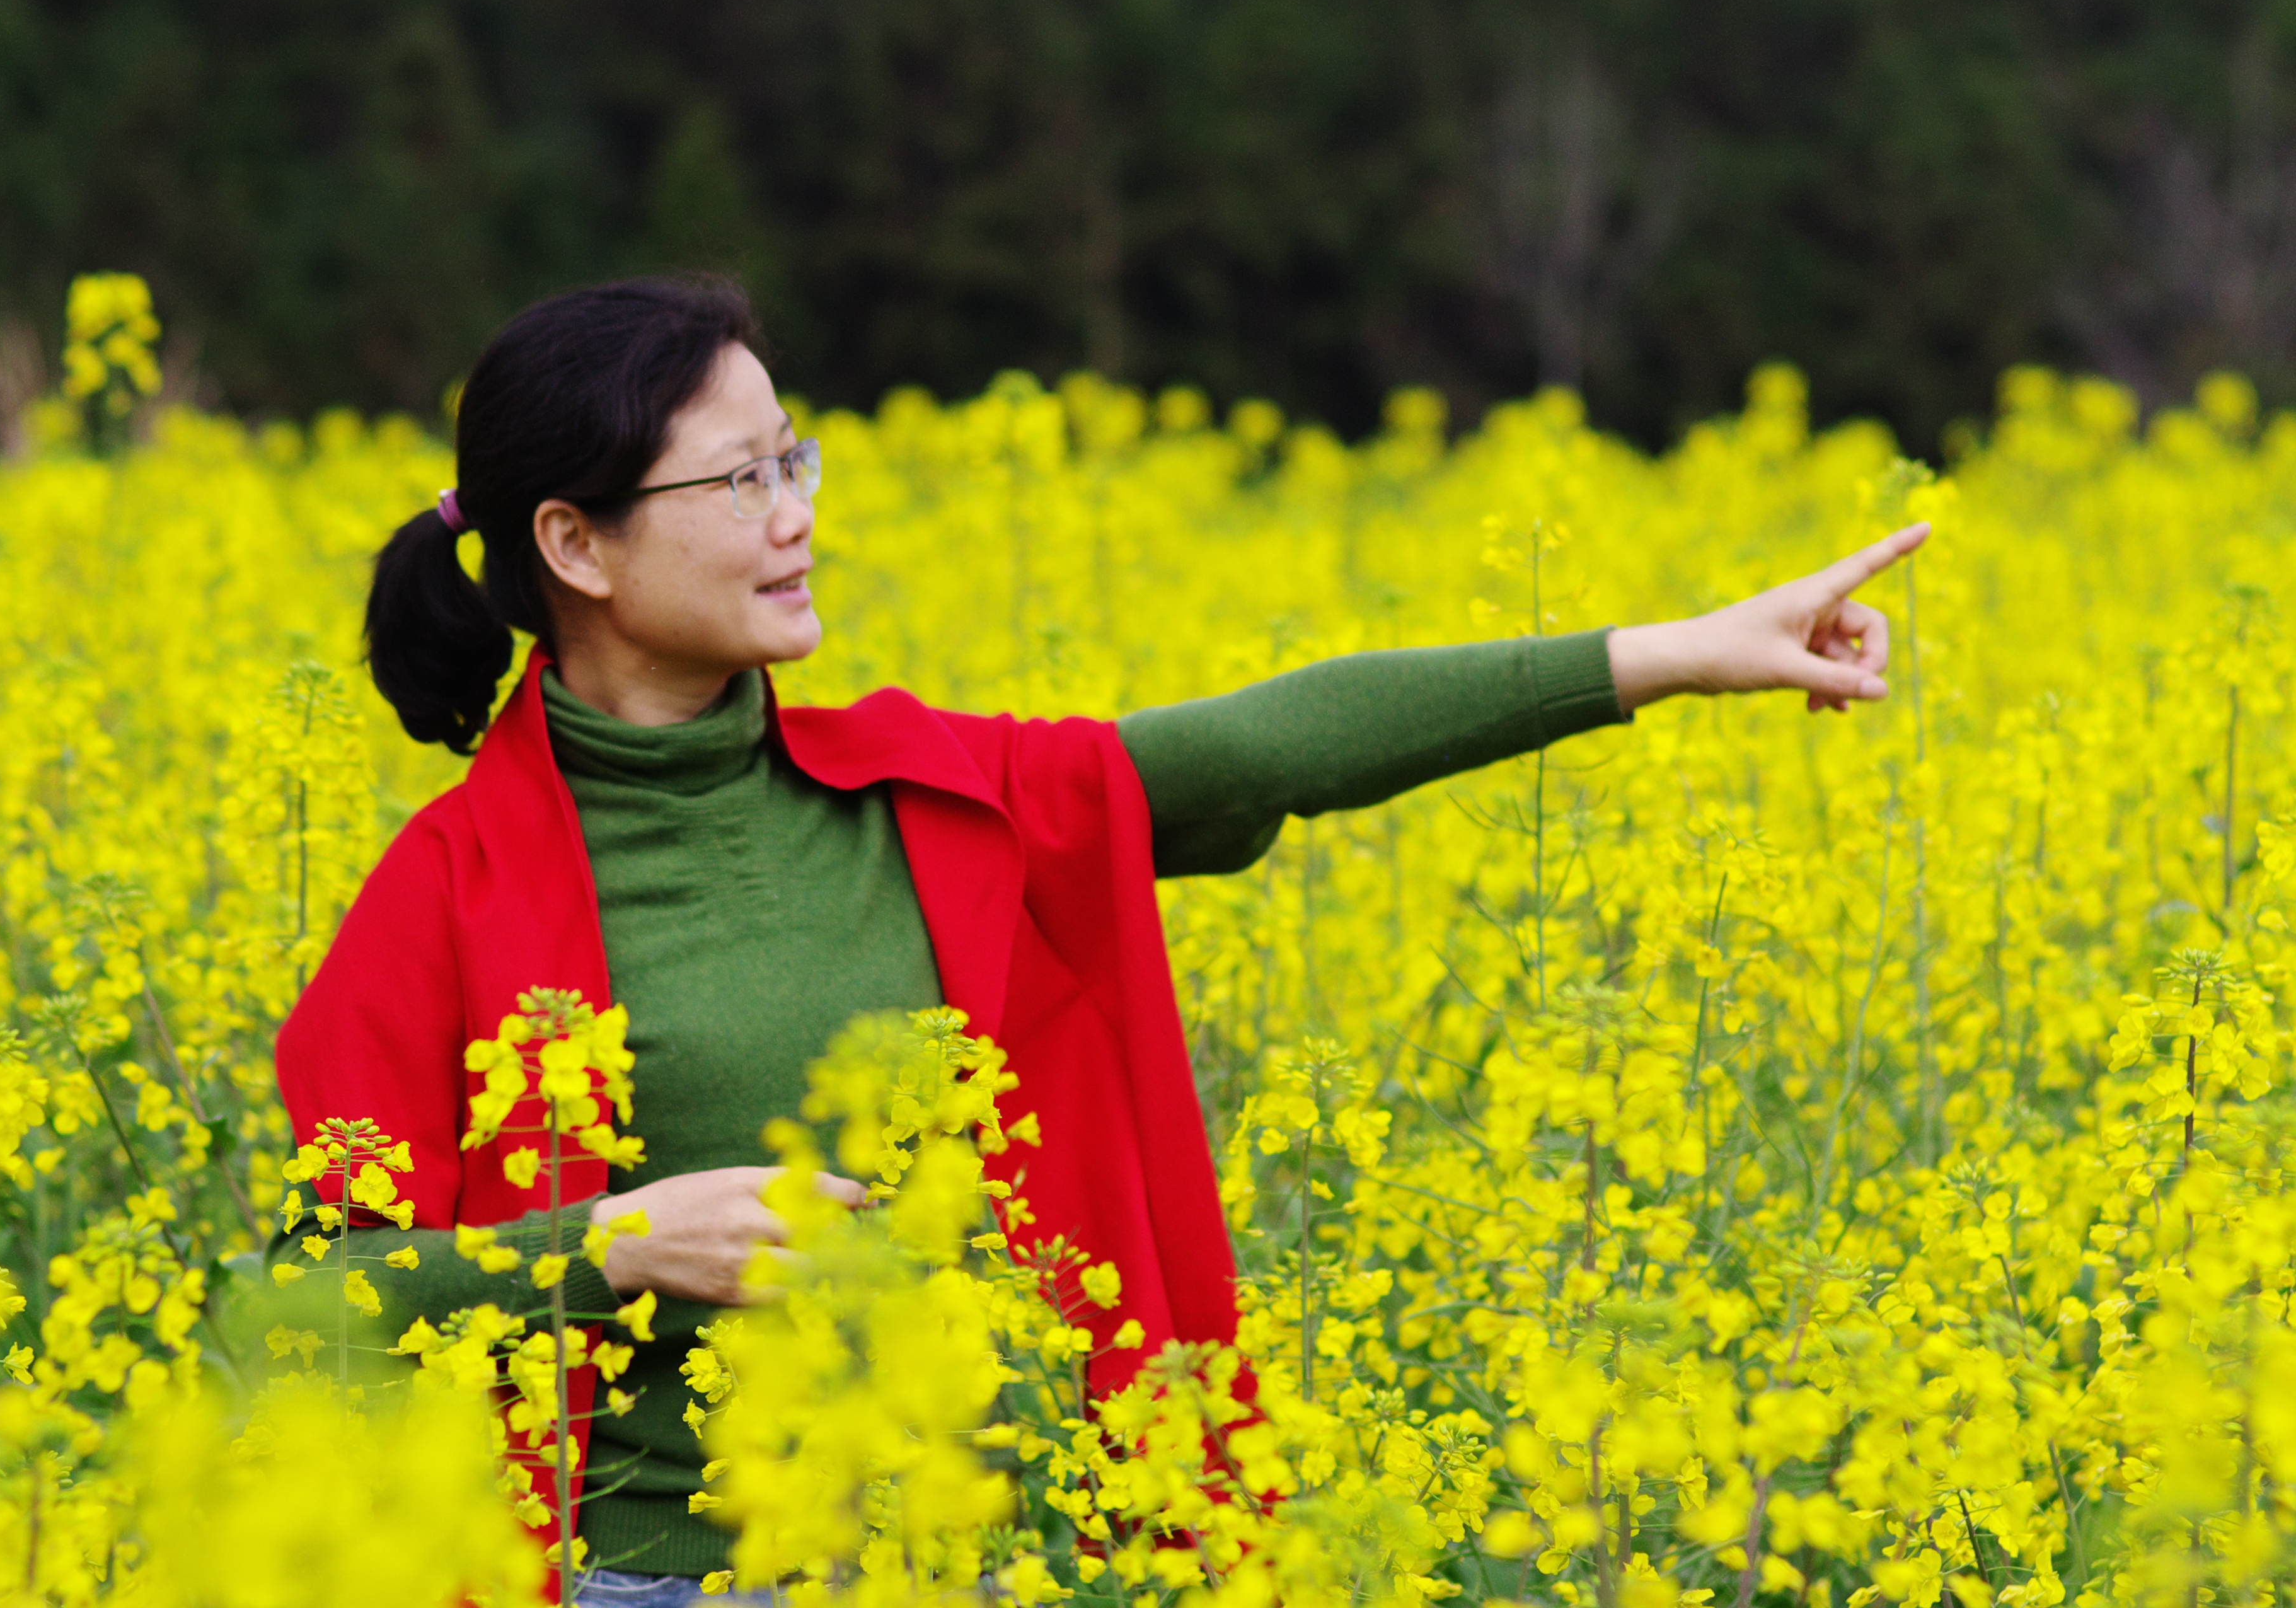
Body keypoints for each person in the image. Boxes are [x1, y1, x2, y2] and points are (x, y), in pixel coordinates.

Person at [273, 277, 1922, 1605]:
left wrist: (1687, 650)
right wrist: (614, 1243)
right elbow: (303, 1304)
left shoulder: (927, 790)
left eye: (802, 459)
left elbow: (1276, 743)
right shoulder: (447, 892)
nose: (796, 516)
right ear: (577, 544)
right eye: (741, 479)